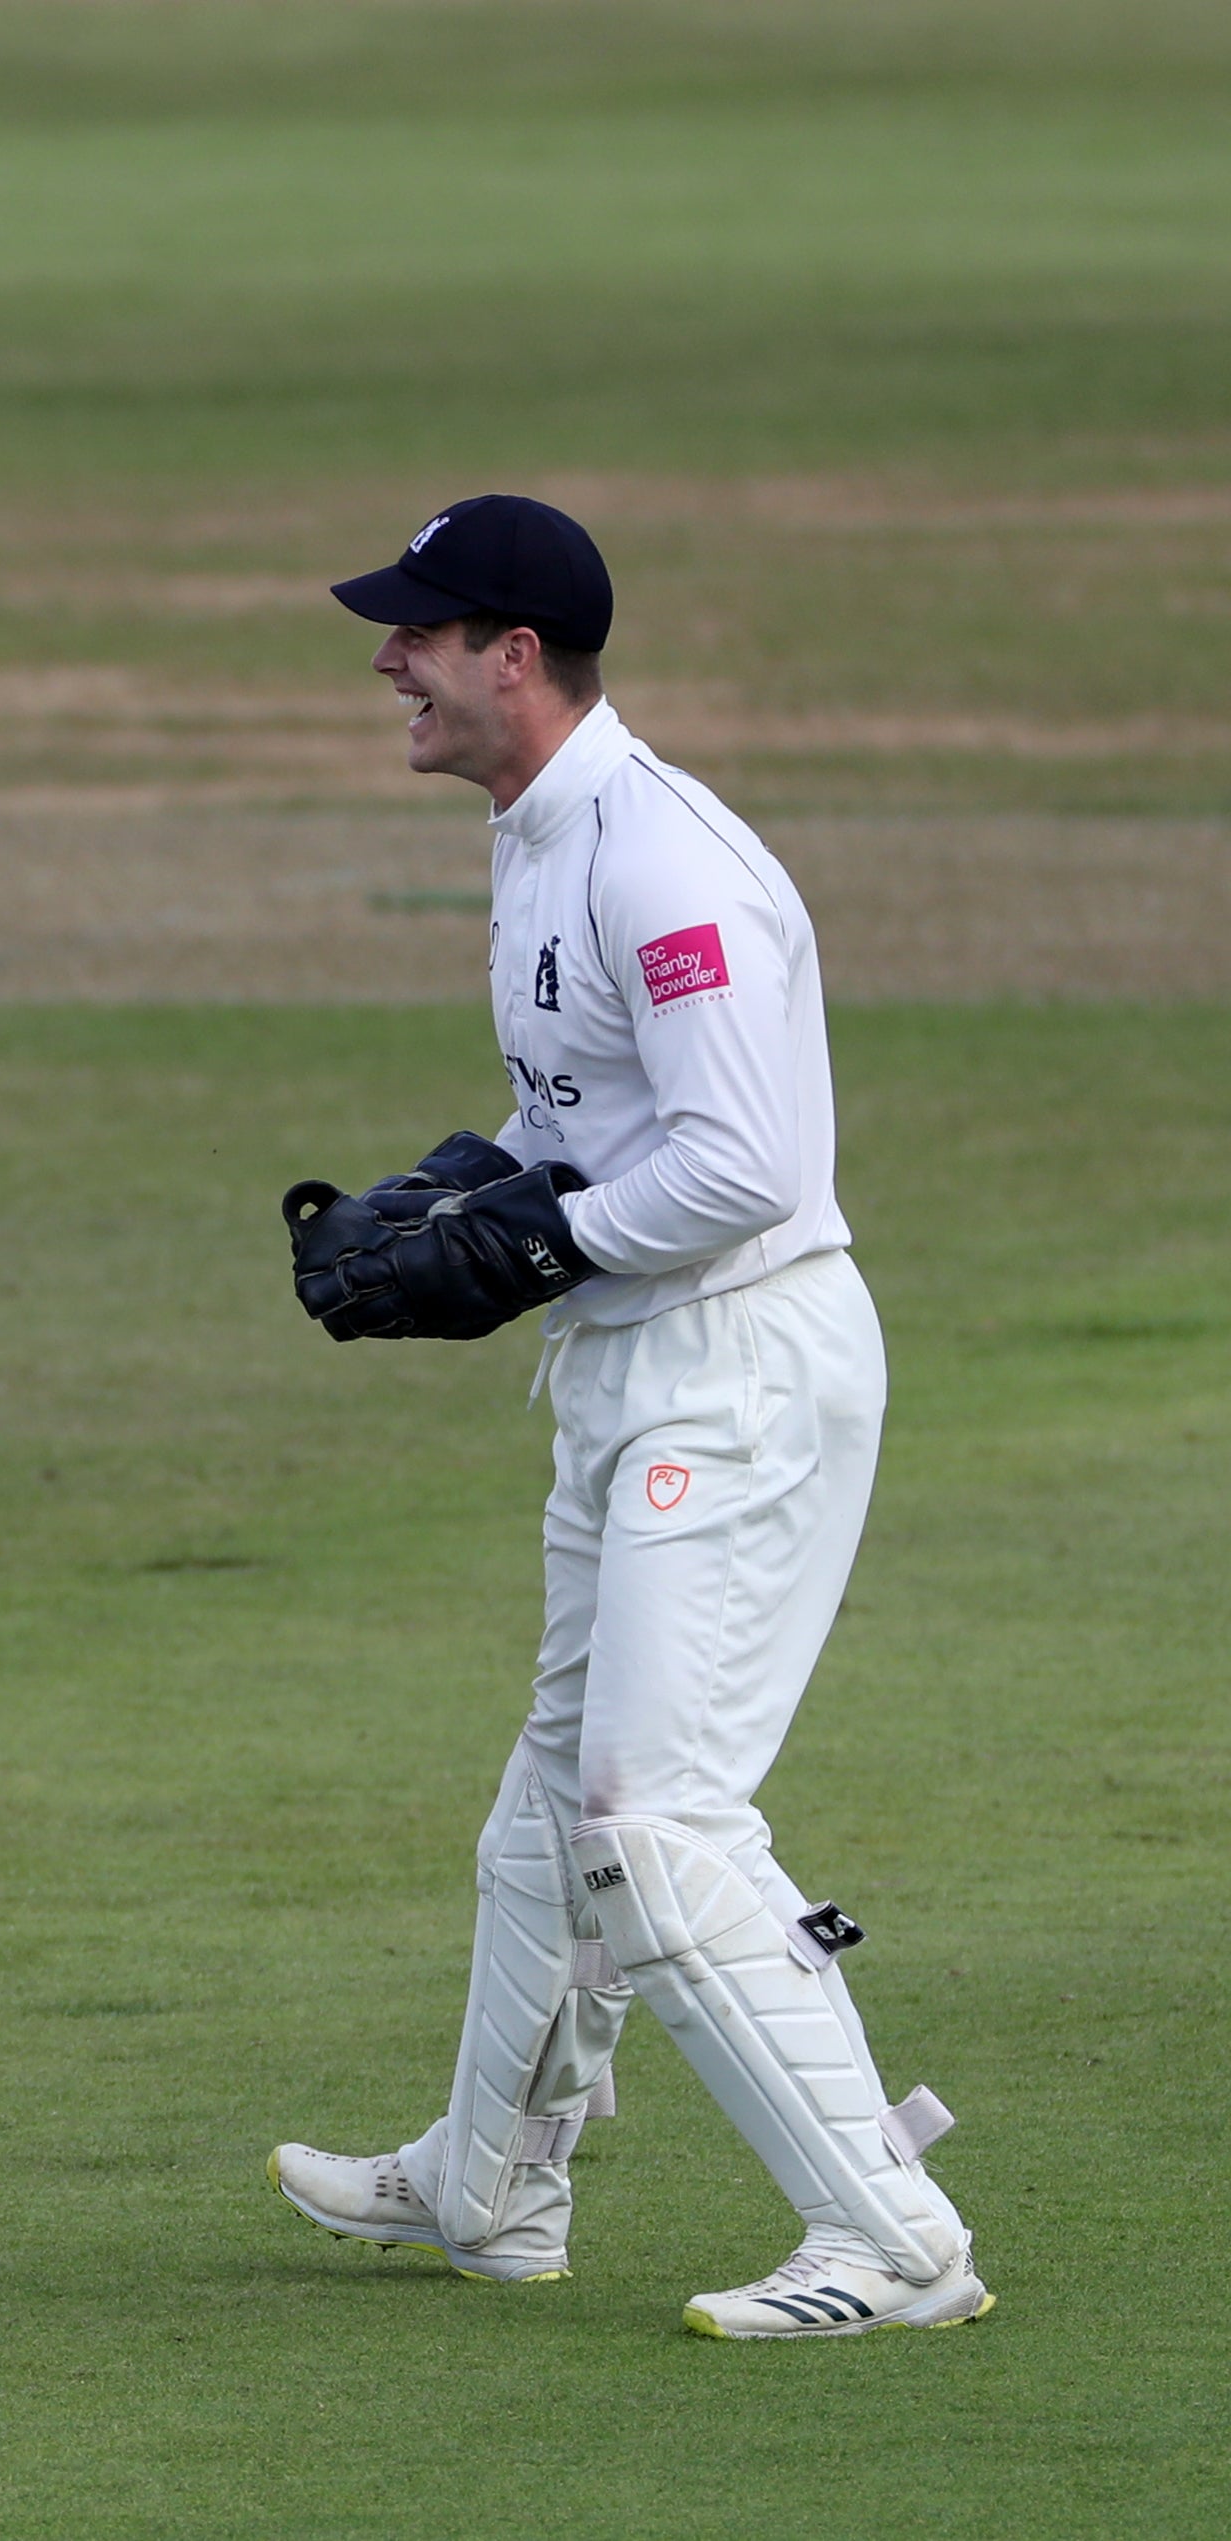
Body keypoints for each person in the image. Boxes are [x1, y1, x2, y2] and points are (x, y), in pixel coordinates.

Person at [267, 495, 990, 2339]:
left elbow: (744, 1163)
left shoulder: (658, 860)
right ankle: (490, 2184)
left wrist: (518, 1251)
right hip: (635, 1363)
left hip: (733, 1365)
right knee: (545, 1809)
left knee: (644, 1819)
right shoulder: (534, 833)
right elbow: (589, 1100)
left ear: (513, 654)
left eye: (417, 635)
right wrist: (452, 1188)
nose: (384, 660)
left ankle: (890, 2240)